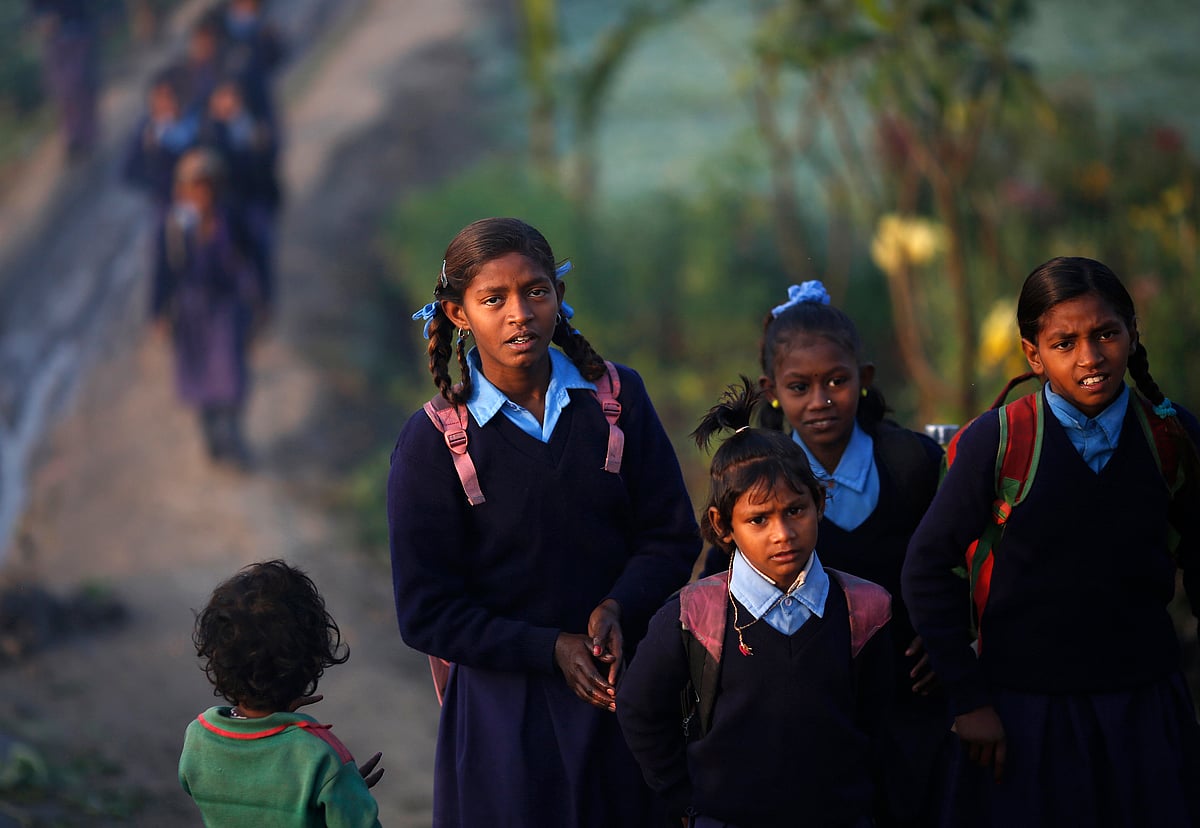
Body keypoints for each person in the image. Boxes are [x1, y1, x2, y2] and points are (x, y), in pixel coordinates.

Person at [387, 217, 700, 827]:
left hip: (624, 690)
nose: (519, 314)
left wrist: (618, 607)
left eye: (535, 291)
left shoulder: (616, 399)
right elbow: (426, 610)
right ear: (456, 314)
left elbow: (670, 535)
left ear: (558, 295)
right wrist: (548, 647)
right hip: (505, 716)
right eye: (492, 299)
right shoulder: (434, 444)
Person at [902, 256, 1200, 826]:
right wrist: (969, 700)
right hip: (1024, 716)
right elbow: (926, 567)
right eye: (1065, 343)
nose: (1090, 358)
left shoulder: (1170, 435)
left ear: (1132, 332)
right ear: (1033, 354)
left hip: (1144, 709)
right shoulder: (1001, 440)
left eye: (1106, 333)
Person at [704, 280, 950, 826]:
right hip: (804, 705)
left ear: (863, 380)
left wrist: (949, 639)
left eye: (837, 381)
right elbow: (715, 588)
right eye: (800, 387)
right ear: (772, 391)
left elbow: (963, 562)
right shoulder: (756, 479)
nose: (820, 401)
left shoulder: (912, 463)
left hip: (908, 700)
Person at [617, 378, 894, 827]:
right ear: (723, 525)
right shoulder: (693, 616)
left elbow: (880, 723)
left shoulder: (865, 610)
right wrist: (685, 800)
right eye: (758, 519)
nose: (782, 534)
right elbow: (638, 707)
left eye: (795, 511)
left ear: (819, 503)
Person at [180, 559, 384, 827]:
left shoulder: (198, 739)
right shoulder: (320, 758)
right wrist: (346, 798)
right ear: (311, 661)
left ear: (217, 659)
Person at [151, 147, 264, 467]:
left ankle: (233, 438)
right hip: (191, 312)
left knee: (231, 375)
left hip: (227, 310)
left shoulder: (232, 217)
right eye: (195, 186)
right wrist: (158, 313)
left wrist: (260, 300)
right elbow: (163, 271)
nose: (201, 193)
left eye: (207, 185)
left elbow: (253, 259)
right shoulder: (175, 226)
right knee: (199, 378)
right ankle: (212, 438)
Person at [29, 0, 99, 160]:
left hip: (78, 28)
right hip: (56, 35)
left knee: (81, 85)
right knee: (65, 89)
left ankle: (86, 134)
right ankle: (73, 136)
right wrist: (41, 18)